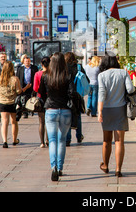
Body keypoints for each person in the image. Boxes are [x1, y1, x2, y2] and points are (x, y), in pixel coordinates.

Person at [38, 52, 74, 181]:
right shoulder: (67, 77)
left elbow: (40, 93)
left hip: (51, 110)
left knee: (52, 140)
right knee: (62, 140)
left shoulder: (45, 76)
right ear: (63, 63)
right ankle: (60, 168)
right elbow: (71, 93)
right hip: (65, 110)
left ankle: (53, 167)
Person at [98, 52, 135, 177]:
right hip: (120, 109)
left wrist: (99, 111)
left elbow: (101, 94)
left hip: (106, 110)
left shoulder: (102, 75)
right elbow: (130, 89)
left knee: (106, 140)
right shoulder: (123, 73)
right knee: (119, 141)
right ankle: (118, 169)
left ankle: (106, 165)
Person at [0, 61, 22, 148]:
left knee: (4, 122)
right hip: (12, 102)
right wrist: (25, 88)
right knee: (14, 122)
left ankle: (5, 141)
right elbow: (18, 91)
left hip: (2, 103)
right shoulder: (15, 79)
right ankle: (14, 140)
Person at [64, 52, 85, 145]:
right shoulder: (79, 67)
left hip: (66, 94)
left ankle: (68, 139)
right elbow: (85, 79)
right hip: (77, 94)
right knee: (78, 115)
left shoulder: (63, 68)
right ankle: (79, 136)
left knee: (67, 117)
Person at [33, 56, 50, 148]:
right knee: (49, 121)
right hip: (50, 99)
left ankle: (42, 142)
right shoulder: (51, 73)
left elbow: (35, 88)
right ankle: (48, 140)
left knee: (41, 122)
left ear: (41, 64)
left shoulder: (38, 74)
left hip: (40, 98)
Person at [16, 54, 38, 120]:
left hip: (31, 86)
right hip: (23, 86)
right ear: (23, 62)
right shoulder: (20, 68)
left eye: (28, 61)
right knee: (23, 99)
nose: (27, 63)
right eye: (26, 61)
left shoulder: (34, 68)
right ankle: (25, 112)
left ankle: (30, 110)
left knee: (30, 99)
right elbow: (17, 77)